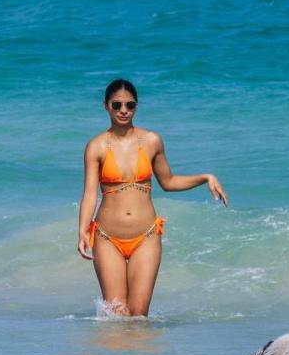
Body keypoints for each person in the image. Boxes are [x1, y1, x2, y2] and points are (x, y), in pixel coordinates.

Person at [77, 79, 228, 316]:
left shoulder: (151, 141)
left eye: (130, 105)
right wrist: (83, 231)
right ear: (106, 106)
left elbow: (168, 182)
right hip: (107, 238)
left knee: (138, 316)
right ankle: (110, 354)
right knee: (117, 315)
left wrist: (205, 177)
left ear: (136, 107)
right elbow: (89, 194)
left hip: (145, 237)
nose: (124, 110)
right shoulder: (96, 147)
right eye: (117, 105)